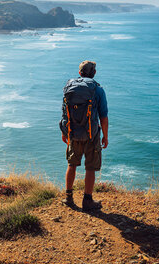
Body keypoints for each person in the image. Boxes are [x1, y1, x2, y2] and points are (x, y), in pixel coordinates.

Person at [60, 60, 108, 210]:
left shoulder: (69, 88)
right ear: (94, 73)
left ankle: (68, 197)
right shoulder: (98, 90)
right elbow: (103, 116)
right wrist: (105, 136)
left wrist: (64, 132)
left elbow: (64, 112)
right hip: (91, 135)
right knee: (90, 167)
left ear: (80, 73)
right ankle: (87, 201)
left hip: (73, 133)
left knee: (72, 164)